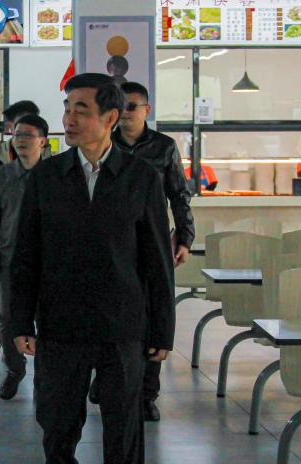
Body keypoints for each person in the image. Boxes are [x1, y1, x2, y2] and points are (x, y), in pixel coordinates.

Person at [10, 73, 174, 464]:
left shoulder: (141, 177)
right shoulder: (47, 176)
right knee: (58, 429)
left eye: (81, 109)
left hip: (123, 327)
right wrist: (19, 320)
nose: (70, 118)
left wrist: (162, 329)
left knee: (124, 441)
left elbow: (157, 259)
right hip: (61, 326)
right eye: (67, 108)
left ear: (110, 117)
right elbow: (25, 254)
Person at [110, 81, 195, 422]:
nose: (125, 113)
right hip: (112, 243)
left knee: (151, 317)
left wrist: (185, 238)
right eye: (121, 106)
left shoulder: (163, 147)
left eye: (132, 107)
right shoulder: (105, 145)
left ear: (147, 110)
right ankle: (107, 378)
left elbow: (179, 194)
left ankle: (147, 394)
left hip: (153, 243)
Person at [0, 114, 49, 400]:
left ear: (43, 141)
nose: (20, 140)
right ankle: (15, 370)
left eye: (27, 135)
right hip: (10, 259)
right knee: (8, 319)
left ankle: (44, 376)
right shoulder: (2, 176)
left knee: (47, 319)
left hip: (47, 261)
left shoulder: (54, 175)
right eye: (16, 135)